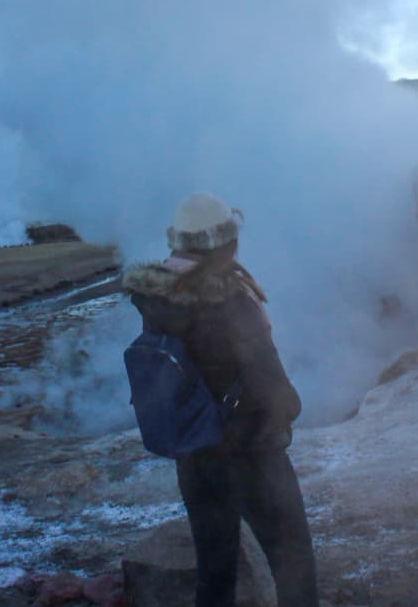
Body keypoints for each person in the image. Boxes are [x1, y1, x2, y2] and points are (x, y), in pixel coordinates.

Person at [123, 193, 318, 606]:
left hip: (196, 455)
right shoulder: (231, 300)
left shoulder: (159, 297)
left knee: (215, 568)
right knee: (293, 561)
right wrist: (290, 411)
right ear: (225, 242)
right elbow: (269, 381)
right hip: (250, 453)